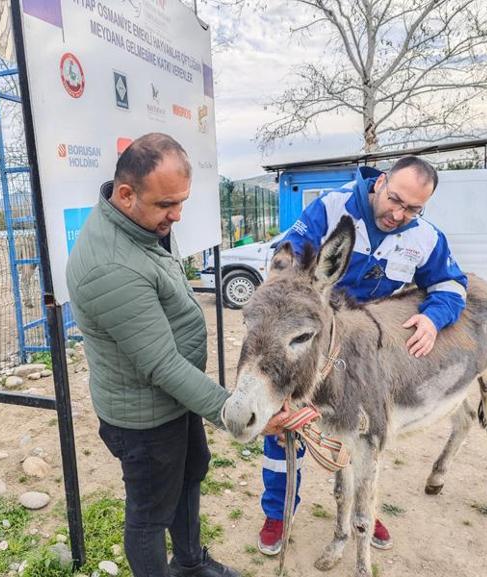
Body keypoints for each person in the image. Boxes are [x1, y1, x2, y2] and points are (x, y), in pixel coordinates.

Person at [67, 133, 284, 577]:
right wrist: (235, 411)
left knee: (190, 475)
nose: (177, 214)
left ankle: (189, 563)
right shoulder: (111, 266)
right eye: (167, 204)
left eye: (182, 201)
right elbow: (161, 364)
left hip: (174, 400)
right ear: (126, 194)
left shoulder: (140, 224)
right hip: (145, 420)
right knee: (149, 515)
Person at [258, 156, 468, 556]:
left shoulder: (425, 237)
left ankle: (364, 508)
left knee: (365, 433)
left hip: (364, 353)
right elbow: (284, 259)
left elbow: (451, 285)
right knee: (284, 425)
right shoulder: (331, 209)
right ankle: (278, 513)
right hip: (311, 340)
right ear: (381, 182)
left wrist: (433, 318)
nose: (399, 214)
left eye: (413, 209)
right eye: (395, 200)